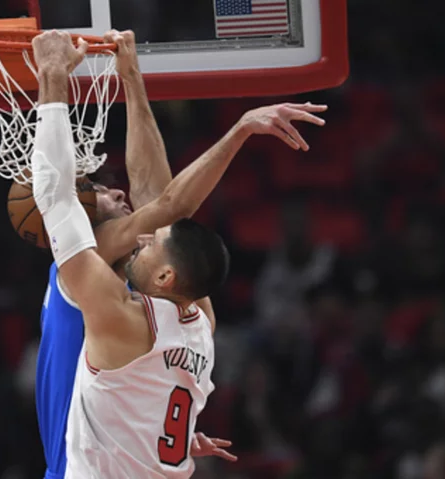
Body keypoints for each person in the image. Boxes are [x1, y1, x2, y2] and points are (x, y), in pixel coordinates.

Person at [33, 30, 328, 478]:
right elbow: (165, 203)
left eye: (153, 239)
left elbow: (63, 198)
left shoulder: (120, 311)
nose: (143, 234)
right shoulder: (197, 323)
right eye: (104, 195)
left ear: (168, 277)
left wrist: (53, 77)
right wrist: (131, 78)